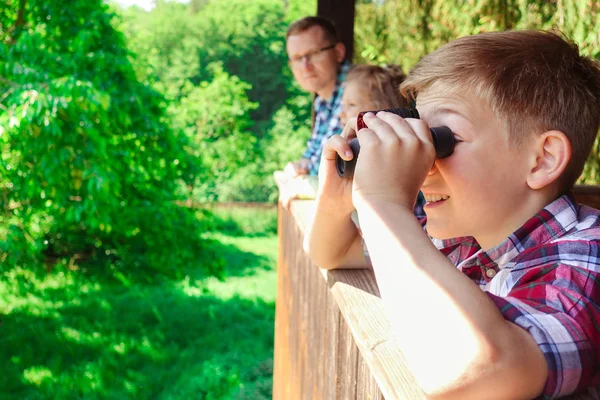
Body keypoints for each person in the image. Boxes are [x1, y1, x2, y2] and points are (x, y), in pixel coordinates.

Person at [305, 30, 600, 399]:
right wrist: (342, 197)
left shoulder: (586, 260)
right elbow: (331, 253)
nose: (423, 164)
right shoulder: (462, 240)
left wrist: (382, 202)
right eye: (418, 138)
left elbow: (478, 371)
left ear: (543, 159)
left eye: (441, 141)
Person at [276, 16, 350, 208]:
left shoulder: (358, 92)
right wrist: (300, 166)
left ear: (339, 52)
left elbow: (337, 174)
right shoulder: (323, 101)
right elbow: (311, 157)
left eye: (313, 53)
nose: (305, 66)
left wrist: (298, 184)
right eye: (297, 58)